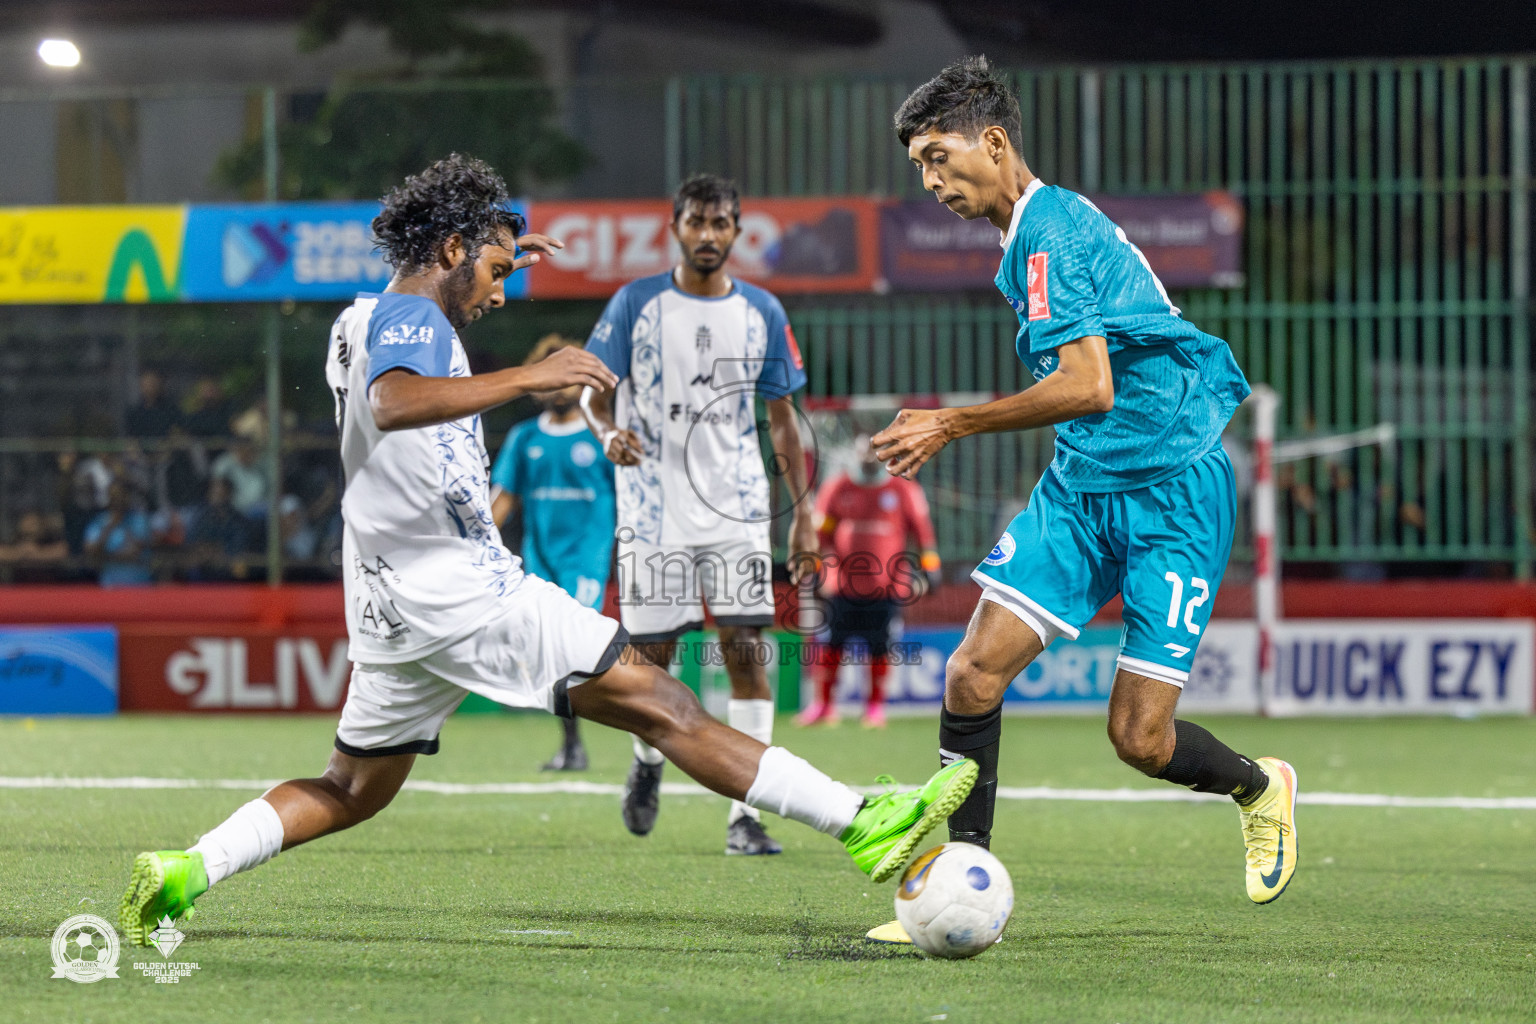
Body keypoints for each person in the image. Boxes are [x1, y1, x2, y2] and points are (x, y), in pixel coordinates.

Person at [118, 153, 976, 948]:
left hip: (386, 603)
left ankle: (190, 869)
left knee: (349, 789)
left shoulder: (365, 313)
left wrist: (495, 249)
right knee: (666, 706)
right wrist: (532, 377)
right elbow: (394, 401)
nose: (498, 295)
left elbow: (408, 338)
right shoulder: (414, 320)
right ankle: (864, 820)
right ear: (449, 247)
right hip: (461, 590)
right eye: (491, 272)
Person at [863, 57, 1298, 943]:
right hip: (1083, 485)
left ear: (995, 141)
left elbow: (1090, 384)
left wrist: (949, 424)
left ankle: (1261, 787)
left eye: (940, 156)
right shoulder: (1027, 232)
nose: (932, 179)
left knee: (1140, 739)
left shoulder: (1051, 231)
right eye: (918, 166)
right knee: (971, 674)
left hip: (1172, 489)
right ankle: (959, 876)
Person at [579, 173, 819, 857]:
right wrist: (606, 433)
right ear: (675, 227)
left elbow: (783, 422)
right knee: (654, 662)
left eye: (720, 224)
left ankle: (746, 814)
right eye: (696, 222)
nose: (708, 235)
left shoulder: (763, 311)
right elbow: (594, 391)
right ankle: (649, 763)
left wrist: (801, 518)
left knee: (746, 651)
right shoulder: (637, 303)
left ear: (737, 231)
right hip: (653, 512)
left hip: (737, 509)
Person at [490, 333, 618, 771]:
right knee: (552, 653)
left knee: (573, 650)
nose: (556, 388)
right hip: (540, 560)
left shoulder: (604, 436)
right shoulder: (525, 438)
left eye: (565, 377)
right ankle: (573, 744)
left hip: (586, 559)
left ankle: (631, 725)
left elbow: (631, 497)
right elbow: (502, 500)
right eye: (548, 378)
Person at [798, 433, 940, 729]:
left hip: (886, 585)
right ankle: (824, 706)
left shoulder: (902, 488)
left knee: (880, 647)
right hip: (842, 584)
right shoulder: (838, 486)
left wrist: (931, 565)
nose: (869, 460)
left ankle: (875, 708)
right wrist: (815, 567)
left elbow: (922, 531)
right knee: (832, 646)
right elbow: (820, 532)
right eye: (864, 454)